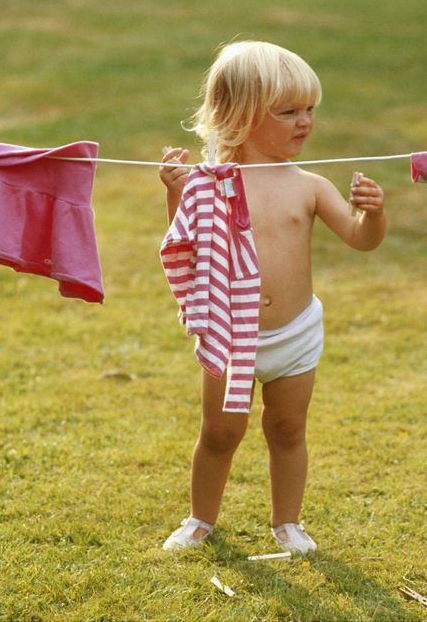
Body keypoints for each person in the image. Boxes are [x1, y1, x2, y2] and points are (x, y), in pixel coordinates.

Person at [158, 41, 386, 554]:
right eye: (288, 112)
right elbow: (185, 243)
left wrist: (373, 215)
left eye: (310, 110)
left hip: (295, 333)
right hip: (229, 332)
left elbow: (360, 239)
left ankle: (287, 523)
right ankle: (200, 520)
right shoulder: (209, 184)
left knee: (286, 428)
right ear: (237, 115)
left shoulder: (310, 186)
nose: (305, 122)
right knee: (220, 432)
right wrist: (175, 191)